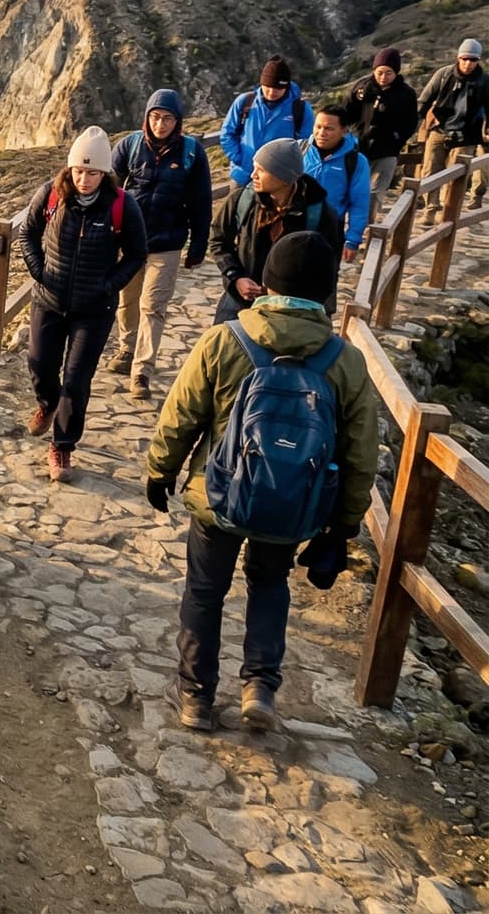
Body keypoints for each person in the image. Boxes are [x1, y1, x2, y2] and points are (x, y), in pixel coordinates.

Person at [144, 233, 380, 732]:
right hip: (292, 507)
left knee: (205, 592)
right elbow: (360, 452)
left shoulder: (225, 340)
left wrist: (160, 471)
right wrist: (345, 524)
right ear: (326, 293)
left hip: (220, 496)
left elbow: (181, 416)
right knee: (270, 584)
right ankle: (259, 688)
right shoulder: (344, 361)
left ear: (267, 282)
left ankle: (194, 695)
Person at [16, 127, 149, 483]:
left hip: (93, 309)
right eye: (78, 171)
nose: (84, 179)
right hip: (49, 299)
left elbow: (137, 254)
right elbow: (26, 233)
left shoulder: (122, 205)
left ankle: (62, 445)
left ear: (104, 173)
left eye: (92, 173)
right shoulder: (51, 196)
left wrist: (108, 286)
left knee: (76, 380)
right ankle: (47, 403)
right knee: (40, 363)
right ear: (69, 169)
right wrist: (40, 271)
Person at [109, 89, 213, 400]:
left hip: (167, 243)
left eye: (168, 118)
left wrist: (199, 243)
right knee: (127, 302)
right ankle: (127, 349)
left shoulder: (192, 153)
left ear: (178, 121)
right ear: (147, 118)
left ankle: (142, 370)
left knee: (152, 306)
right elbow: (109, 188)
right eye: (155, 117)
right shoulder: (130, 145)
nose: (160, 124)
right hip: (129, 241)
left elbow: (201, 201)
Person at [208, 138, 343, 323]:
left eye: (261, 170)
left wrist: (321, 312)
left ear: (284, 175)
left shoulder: (320, 214)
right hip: (240, 301)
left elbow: (329, 266)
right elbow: (218, 240)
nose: (253, 175)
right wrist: (235, 278)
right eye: (254, 167)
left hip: (291, 313)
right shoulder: (242, 200)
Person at [419, 38, 489, 210]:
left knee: (456, 174)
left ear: (478, 60)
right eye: (465, 58)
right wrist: (417, 124)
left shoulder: (484, 81)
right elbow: (424, 100)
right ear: (458, 58)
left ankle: (449, 210)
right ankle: (431, 207)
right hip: (439, 128)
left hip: (467, 133)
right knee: (430, 170)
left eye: (473, 59)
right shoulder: (443, 75)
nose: (468, 63)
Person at [220, 56, 310, 189]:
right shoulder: (245, 102)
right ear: (261, 83)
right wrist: (241, 159)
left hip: (278, 180)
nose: (272, 92)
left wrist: (284, 170)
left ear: (287, 86)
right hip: (243, 176)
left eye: (278, 88)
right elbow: (227, 134)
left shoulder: (300, 109)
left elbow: (306, 145)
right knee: (236, 209)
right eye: (268, 86)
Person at [297, 103, 370, 264]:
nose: (321, 133)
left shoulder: (356, 161)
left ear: (344, 131)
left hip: (330, 228)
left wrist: (353, 239)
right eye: (318, 127)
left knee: (324, 281)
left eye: (329, 128)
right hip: (294, 223)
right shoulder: (298, 150)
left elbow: (359, 202)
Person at [343, 46, 418, 201]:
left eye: (388, 72)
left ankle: (371, 224)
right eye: (380, 72)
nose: (383, 77)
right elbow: (345, 113)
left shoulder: (406, 94)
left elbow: (411, 122)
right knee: (352, 190)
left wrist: (397, 138)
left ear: (396, 72)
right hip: (358, 147)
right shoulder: (361, 88)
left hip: (387, 150)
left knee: (375, 194)